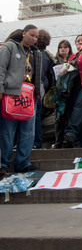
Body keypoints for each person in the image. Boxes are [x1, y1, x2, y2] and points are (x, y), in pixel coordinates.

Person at [0, 25, 42, 177]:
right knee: (7, 131)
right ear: (24, 33)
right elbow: (1, 69)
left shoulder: (36, 52)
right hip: (11, 93)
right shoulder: (10, 47)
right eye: (32, 35)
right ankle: (2, 163)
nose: (34, 39)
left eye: (36, 37)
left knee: (28, 132)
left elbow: (39, 75)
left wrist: (40, 91)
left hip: (30, 95)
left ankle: (23, 163)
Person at [34, 29, 56, 149]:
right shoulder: (48, 55)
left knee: (36, 116)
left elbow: (39, 76)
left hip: (39, 92)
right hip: (46, 92)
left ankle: (36, 142)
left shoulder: (38, 55)